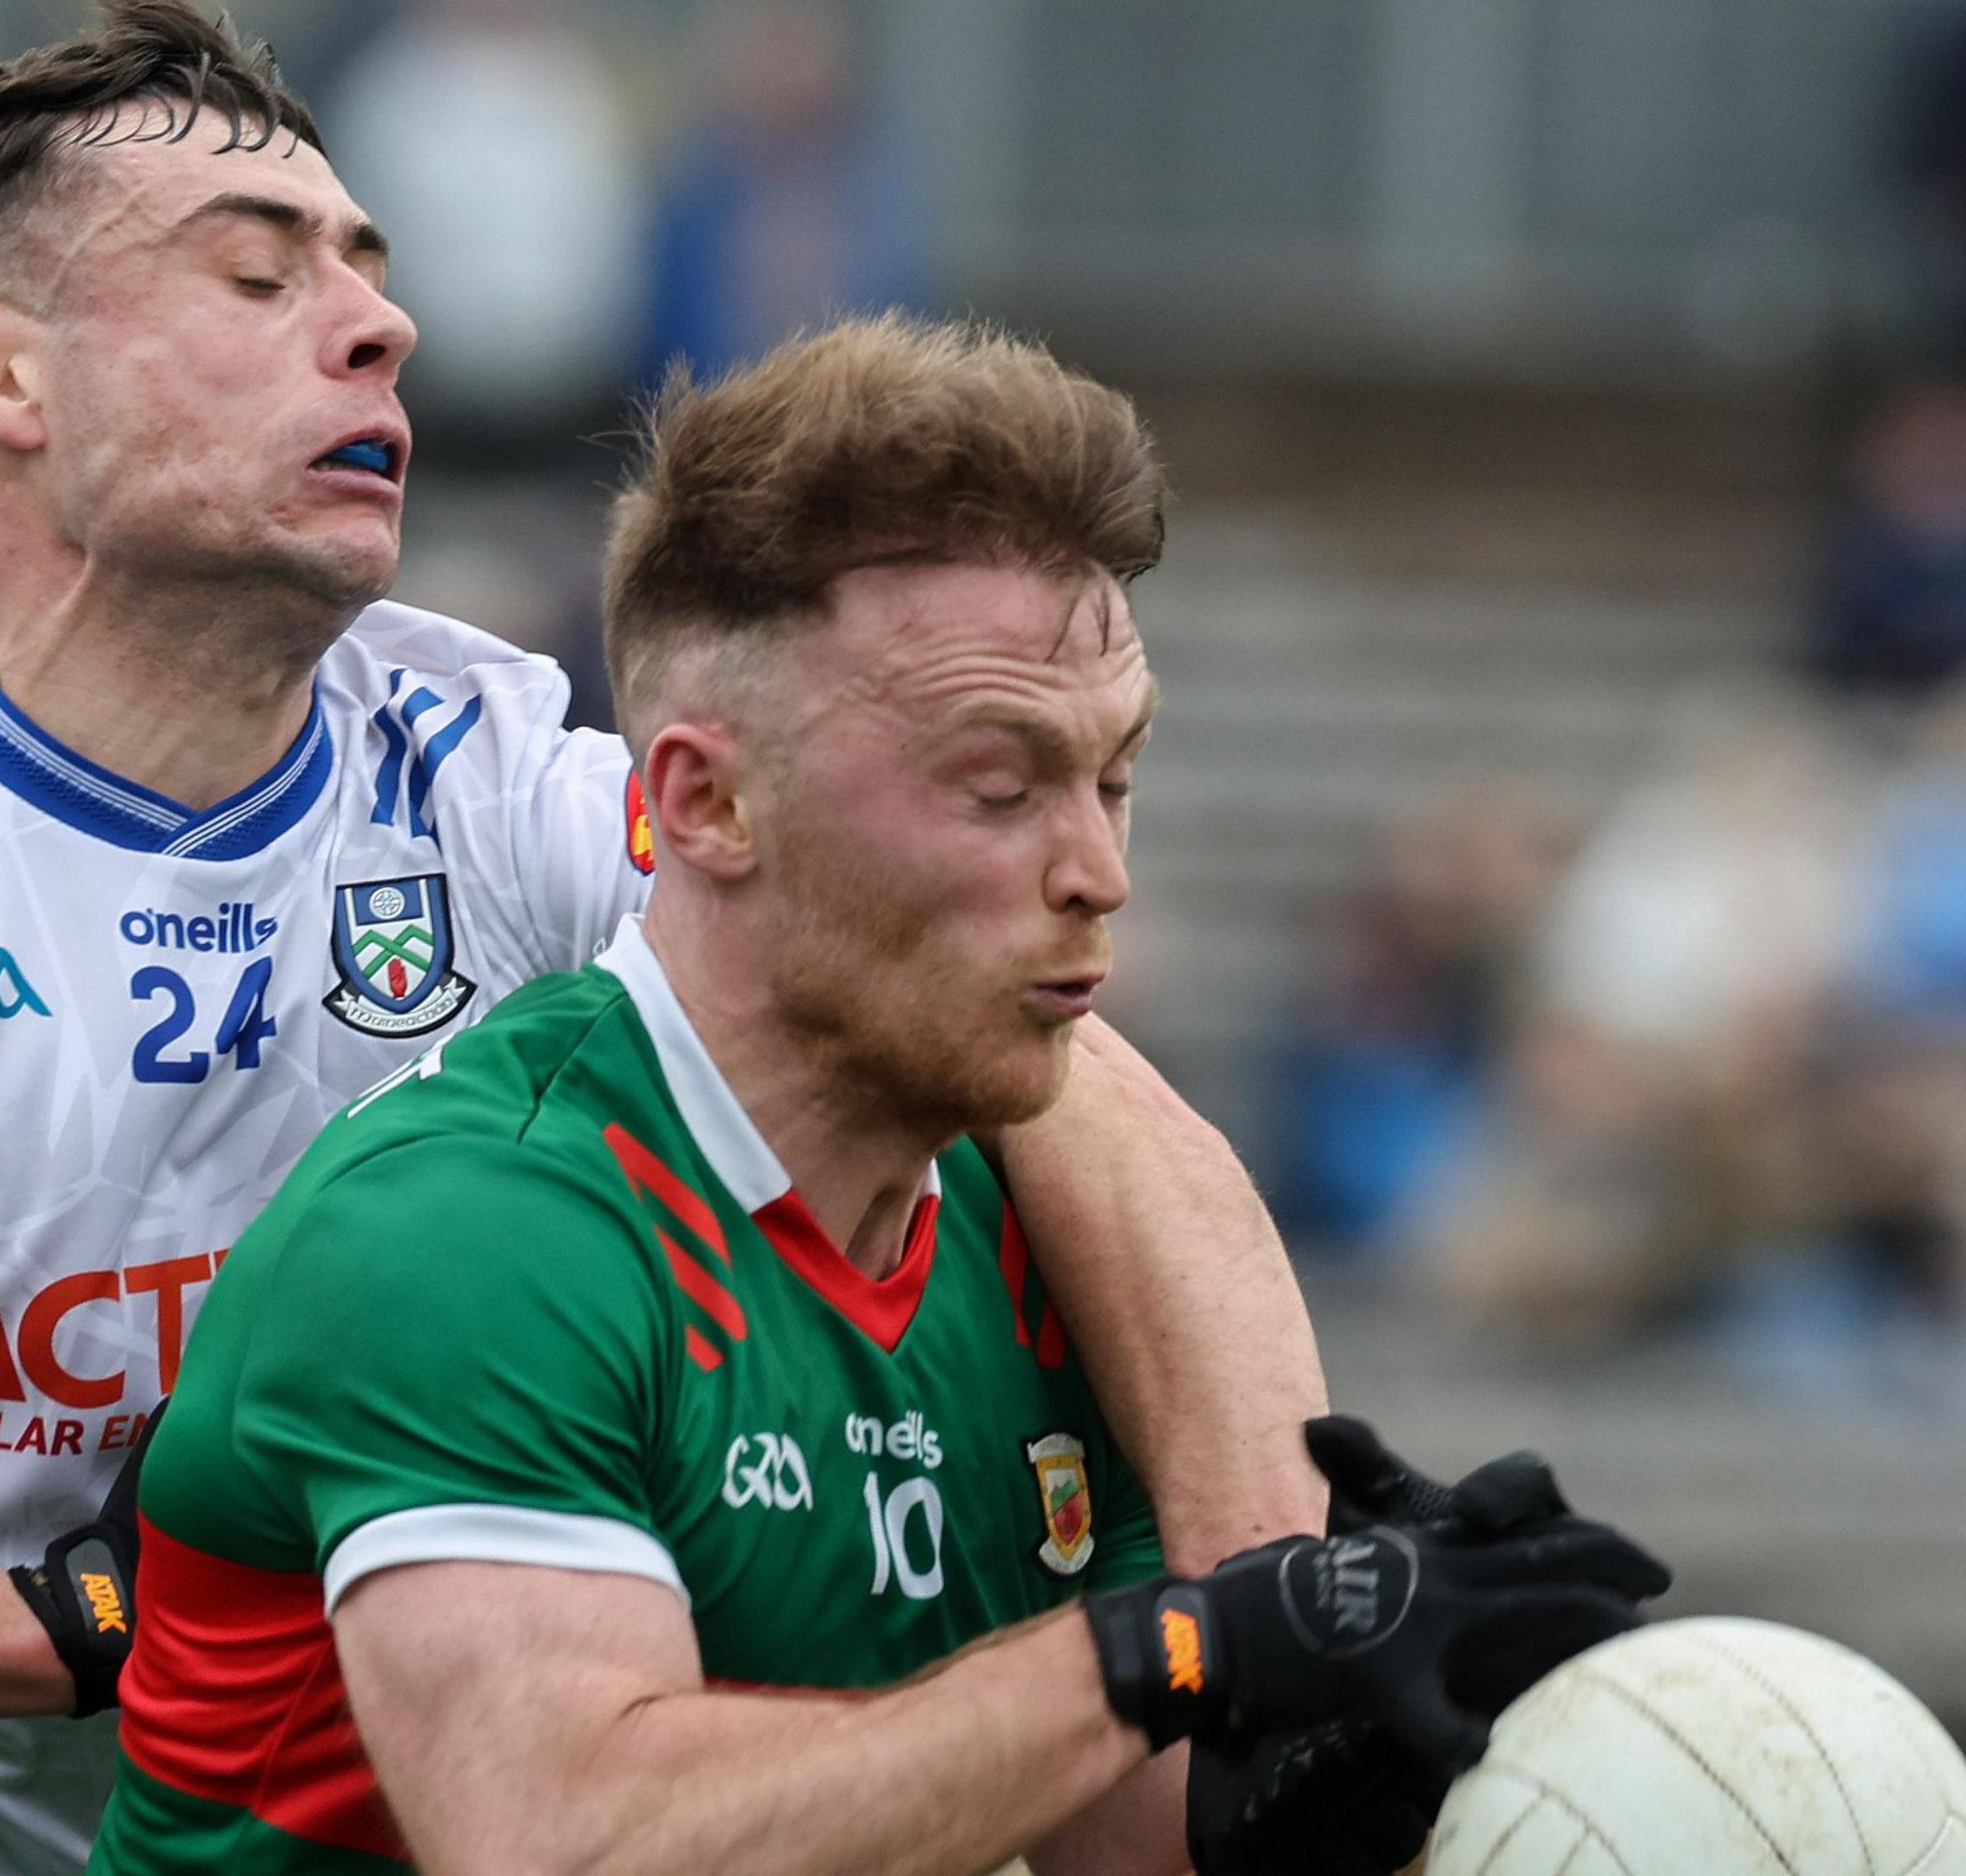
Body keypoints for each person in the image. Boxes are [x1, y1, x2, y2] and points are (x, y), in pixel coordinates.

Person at [0, 9, 1329, 1873]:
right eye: (263, 275)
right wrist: (65, 1632)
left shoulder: (477, 761)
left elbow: (1053, 1080)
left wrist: (1276, 1621)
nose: (381, 327)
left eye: (365, 269)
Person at [89, 316, 1668, 1876]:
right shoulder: (469, 1231)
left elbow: (1122, 1832)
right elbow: (567, 1841)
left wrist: (1350, 1762)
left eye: (1113, 778)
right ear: (704, 803)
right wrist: (1177, 1654)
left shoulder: (1041, 1247)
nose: (1098, 873)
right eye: (1000, 787)